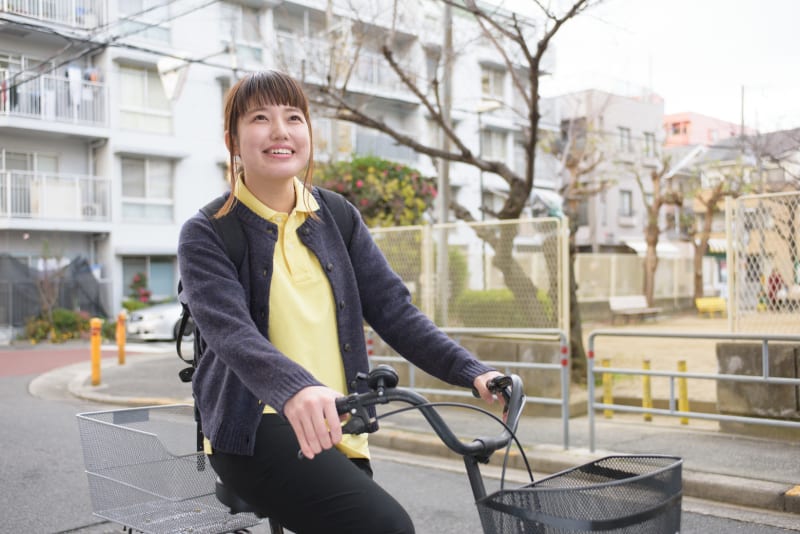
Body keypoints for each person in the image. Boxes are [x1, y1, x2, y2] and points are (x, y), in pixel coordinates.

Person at [177, 70, 505, 534]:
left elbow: (394, 310)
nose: (280, 131)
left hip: (339, 423)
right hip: (256, 430)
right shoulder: (207, 231)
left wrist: (472, 371)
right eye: (259, 118)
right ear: (232, 139)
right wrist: (296, 388)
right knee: (386, 527)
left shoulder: (337, 216)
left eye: (294, 117)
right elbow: (231, 333)